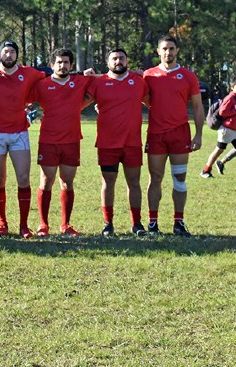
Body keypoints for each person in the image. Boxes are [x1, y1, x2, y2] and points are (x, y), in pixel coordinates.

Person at [0, 40, 44, 238]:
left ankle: (24, 226)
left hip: (19, 133)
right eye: (5, 52)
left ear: (17, 55)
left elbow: (49, 77)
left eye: (12, 52)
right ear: (0, 54)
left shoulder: (28, 73)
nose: (8, 55)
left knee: (23, 178)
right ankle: (2, 224)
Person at [142, 35, 203, 237]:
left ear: (177, 51)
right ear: (158, 52)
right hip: (156, 134)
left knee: (179, 178)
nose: (168, 52)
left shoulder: (188, 76)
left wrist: (199, 134)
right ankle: (152, 223)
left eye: (171, 48)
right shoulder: (148, 75)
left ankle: (178, 222)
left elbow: (197, 106)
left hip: (180, 134)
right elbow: (138, 96)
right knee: (155, 178)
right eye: (164, 49)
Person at [86, 48, 149, 236]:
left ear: (127, 61)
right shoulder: (99, 82)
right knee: (108, 182)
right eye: (114, 58)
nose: (118, 61)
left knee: (134, 182)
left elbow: (154, 101)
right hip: (107, 142)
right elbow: (78, 102)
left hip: (132, 142)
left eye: (122, 58)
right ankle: (108, 223)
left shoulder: (139, 81)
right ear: (108, 63)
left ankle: (137, 224)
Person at [28, 49, 92, 237]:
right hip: (48, 140)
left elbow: (101, 82)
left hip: (72, 140)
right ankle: (43, 225)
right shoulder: (42, 85)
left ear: (71, 65)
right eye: (59, 62)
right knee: (46, 181)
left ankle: (65, 225)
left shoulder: (80, 82)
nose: (62, 65)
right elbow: (24, 98)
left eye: (66, 62)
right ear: (51, 65)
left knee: (67, 182)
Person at [201, 80, 236, 179]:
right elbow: (222, 112)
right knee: (218, 151)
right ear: (232, 88)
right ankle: (205, 170)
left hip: (235, 130)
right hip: (227, 130)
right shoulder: (230, 98)